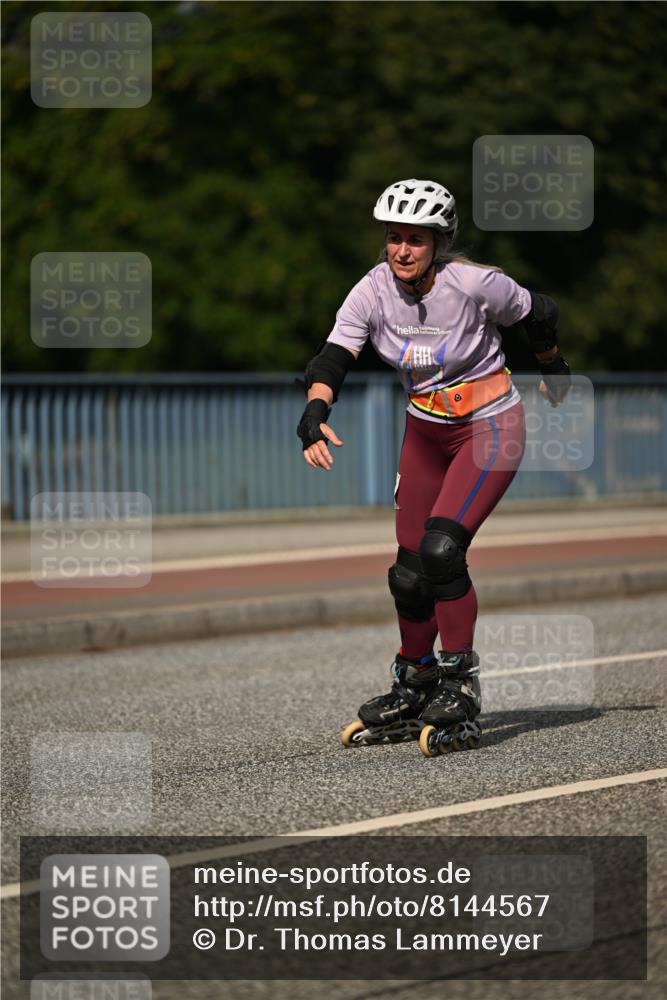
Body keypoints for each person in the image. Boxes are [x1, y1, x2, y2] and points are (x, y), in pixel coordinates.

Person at [297, 178, 571, 756]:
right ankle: (415, 677)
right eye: (393, 238)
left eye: (415, 241)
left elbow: (537, 310)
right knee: (407, 571)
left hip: (489, 427)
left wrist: (551, 362)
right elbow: (336, 353)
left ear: (438, 242)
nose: (401, 251)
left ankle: (458, 683)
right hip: (425, 431)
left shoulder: (474, 284)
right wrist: (315, 408)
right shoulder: (372, 289)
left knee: (443, 550)